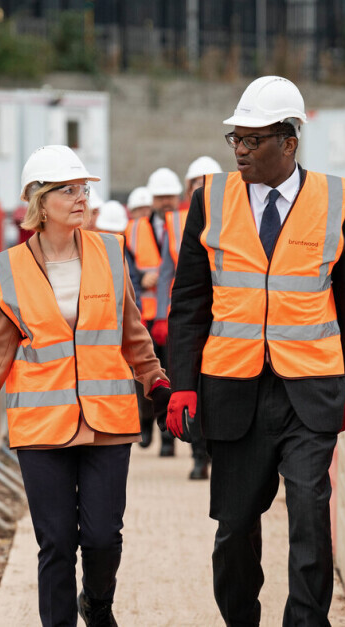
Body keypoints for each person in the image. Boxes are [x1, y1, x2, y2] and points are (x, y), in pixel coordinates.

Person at [0, 145, 172, 627]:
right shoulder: (11, 269)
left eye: (84, 189)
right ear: (40, 202)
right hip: (42, 427)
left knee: (102, 538)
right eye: (69, 190)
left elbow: (131, 331)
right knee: (57, 543)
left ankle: (97, 604)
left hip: (108, 421)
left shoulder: (109, 251)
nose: (82, 198)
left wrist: (156, 381)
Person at [165, 76, 345, 625]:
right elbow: (189, 301)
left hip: (310, 391)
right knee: (234, 528)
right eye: (236, 138)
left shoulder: (337, 198)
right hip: (233, 391)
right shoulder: (209, 199)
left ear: (289, 141)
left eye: (253, 140)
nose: (241, 150)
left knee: (310, 515)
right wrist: (182, 383)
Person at [154, 156, 222, 480]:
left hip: (226, 320)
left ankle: (212, 452)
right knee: (190, 385)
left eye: (208, 180)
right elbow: (167, 273)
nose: (202, 187)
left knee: (215, 391)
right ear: (187, 188)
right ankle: (198, 457)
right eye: (196, 182)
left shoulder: (238, 215)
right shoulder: (177, 222)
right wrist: (162, 316)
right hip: (192, 319)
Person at [125, 183, 175, 455]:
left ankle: (167, 437)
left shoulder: (178, 226)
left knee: (170, 376)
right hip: (143, 314)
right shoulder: (131, 231)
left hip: (170, 313)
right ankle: (146, 421)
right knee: (145, 375)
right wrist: (142, 279)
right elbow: (128, 267)